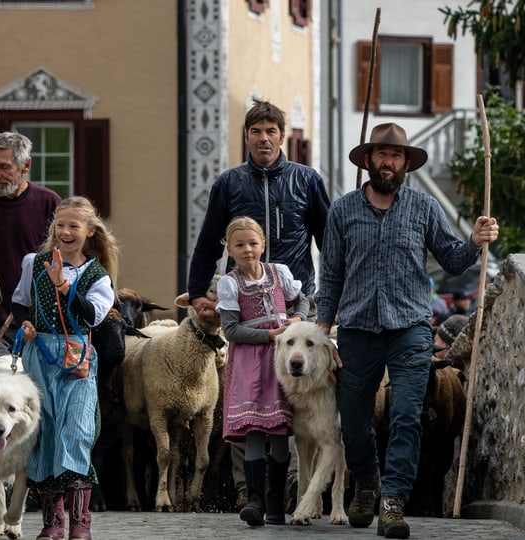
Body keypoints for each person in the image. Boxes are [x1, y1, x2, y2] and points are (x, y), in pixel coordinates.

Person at [315, 122, 498, 539]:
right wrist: (325, 331)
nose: (388, 162)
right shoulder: (342, 211)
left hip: (411, 329)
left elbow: (453, 260)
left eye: (396, 156)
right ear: (367, 160)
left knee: (406, 416)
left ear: (405, 164)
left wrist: (475, 239)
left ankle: (393, 503)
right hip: (358, 328)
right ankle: (366, 483)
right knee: (355, 422)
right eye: (381, 154)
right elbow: (331, 276)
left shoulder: (425, 209)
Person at [187, 98, 331, 509]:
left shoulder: (306, 181)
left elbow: (330, 242)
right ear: (246, 137)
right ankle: (247, 490)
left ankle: (290, 487)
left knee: (295, 395)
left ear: (282, 136)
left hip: (297, 307)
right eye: (255, 131)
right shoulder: (229, 184)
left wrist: (326, 300)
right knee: (247, 391)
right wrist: (198, 292)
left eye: (271, 131)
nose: (263, 138)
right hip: (248, 313)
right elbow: (208, 241)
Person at [10, 196, 118, 540]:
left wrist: (64, 285)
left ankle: (79, 522)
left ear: (89, 231)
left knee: (76, 432)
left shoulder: (98, 276)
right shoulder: (35, 262)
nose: (66, 232)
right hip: (38, 353)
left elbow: (93, 316)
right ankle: (52, 522)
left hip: (77, 356)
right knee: (44, 434)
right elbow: (20, 303)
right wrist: (25, 325)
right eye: (61, 225)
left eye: (74, 226)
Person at [216, 217, 308, 527]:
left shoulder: (278, 273)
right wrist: (270, 335)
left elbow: (302, 300)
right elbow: (231, 330)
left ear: (263, 245)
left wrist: (297, 321)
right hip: (250, 363)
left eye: (253, 243)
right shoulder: (230, 283)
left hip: (281, 362)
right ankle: (253, 499)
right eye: (239, 245)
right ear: (229, 249)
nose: (247, 250)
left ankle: (276, 503)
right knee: (255, 429)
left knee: (280, 432)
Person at [0, 131, 61, 366]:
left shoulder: (49, 203)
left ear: (26, 165)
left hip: (36, 325)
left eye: (4, 167)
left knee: (32, 397)